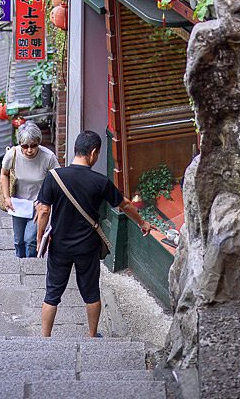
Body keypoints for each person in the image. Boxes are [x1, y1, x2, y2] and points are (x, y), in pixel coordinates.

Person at [36, 130, 152, 339]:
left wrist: (39, 238)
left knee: (52, 293)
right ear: (93, 152)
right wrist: (142, 223)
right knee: (91, 292)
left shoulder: (54, 177)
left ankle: (45, 337)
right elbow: (124, 204)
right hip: (87, 246)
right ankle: (91, 335)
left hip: (59, 245)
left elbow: (43, 210)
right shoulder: (100, 181)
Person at [0, 121, 57, 258]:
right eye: (25, 146)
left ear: (39, 143)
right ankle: (19, 262)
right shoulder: (12, 154)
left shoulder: (48, 157)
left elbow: (57, 179)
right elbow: (4, 174)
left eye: (33, 146)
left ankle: (31, 266)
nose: (29, 150)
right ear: (19, 143)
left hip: (38, 204)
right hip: (18, 204)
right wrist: (7, 197)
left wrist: (46, 201)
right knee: (18, 240)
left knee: (30, 240)